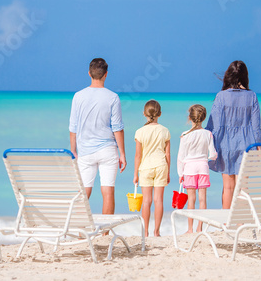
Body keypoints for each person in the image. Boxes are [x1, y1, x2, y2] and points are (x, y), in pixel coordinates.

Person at [69, 58, 126, 215]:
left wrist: (73, 150)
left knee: (84, 193)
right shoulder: (112, 97)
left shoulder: (78, 96)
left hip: (85, 151)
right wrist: (122, 153)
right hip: (108, 150)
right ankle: (105, 235)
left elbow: (73, 127)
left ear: (89, 73)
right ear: (106, 75)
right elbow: (118, 128)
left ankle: (81, 232)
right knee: (107, 191)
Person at [206, 60, 261, 209]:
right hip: (247, 145)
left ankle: (227, 222)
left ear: (228, 76)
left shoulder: (221, 96)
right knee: (243, 187)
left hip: (225, 145)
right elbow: (256, 127)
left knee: (228, 187)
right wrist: (259, 146)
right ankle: (240, 222)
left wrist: (205, 141)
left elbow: (214, 126)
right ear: (245, 76)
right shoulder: (252, 96)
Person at [133, 100, 171, 237]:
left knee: (147, 201)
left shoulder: (140, 132)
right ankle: (157, 231)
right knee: (158, 200)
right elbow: (167, 154)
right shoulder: (165, 131)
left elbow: (138, 155)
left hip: (145, 167)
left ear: (144, 114)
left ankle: (146, 232)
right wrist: (168, 172)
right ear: (160, 114)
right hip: (161, 166)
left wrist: (135, 174)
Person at [177, 104, 217, 233]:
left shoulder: (185, 135)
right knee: (202, 199)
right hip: (203, 167)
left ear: (190, 118)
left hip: (189, 169)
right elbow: (213, 154)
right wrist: (209, 159)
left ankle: (190, 229)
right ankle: (200, 228)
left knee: (191, 200)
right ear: (203, 118)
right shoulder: (208, 134)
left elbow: (181, 157)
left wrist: (180, 173)